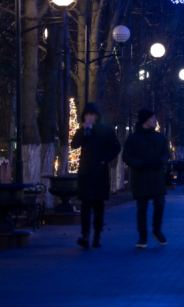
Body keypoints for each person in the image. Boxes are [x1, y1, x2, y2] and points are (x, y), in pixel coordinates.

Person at [70, 102, 122, 249]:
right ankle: (85, 235)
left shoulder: (106, 131)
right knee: (85, 206)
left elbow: (115, 147)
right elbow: (74, 145)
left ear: (97, 116)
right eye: (86, 115)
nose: (89, 117)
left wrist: (104, 161)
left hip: (100, 173)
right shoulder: (84, 130)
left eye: (91, 115)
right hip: (86, 173)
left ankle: (97, 235)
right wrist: (82, 131)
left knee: (98, 206)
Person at [122, 108, 169, 248]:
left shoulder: (160, 137)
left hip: (157, 176)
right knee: (142, 208)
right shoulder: (133, 138)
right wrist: (141, 164)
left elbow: (166, 153)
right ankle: (142, 237)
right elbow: (126, 157)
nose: (155, 120)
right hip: (141, 177)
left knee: (159, 204)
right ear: (145, 120)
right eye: (152, 118)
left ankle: (157, 230)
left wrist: (160, 161)